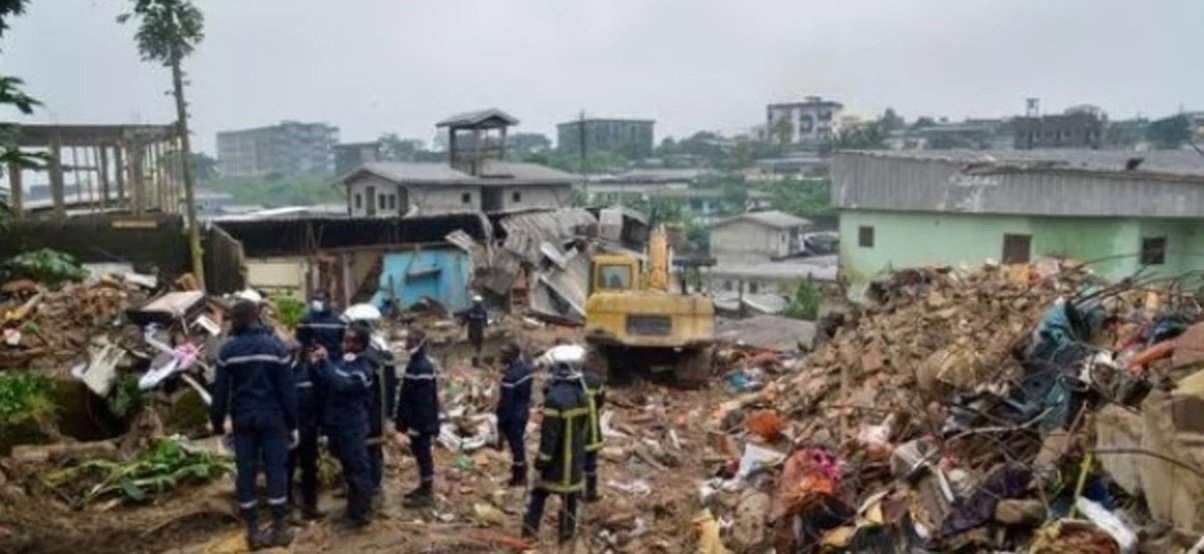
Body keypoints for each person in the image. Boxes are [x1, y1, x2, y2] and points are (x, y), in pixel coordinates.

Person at [210, 300, 297, 550]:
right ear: (256, 317)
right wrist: (292, 423)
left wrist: (217, 422)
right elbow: (287, 390)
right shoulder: (276, 348)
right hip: (272, 418)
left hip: (243, 419)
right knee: (275, 470)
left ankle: (253, 531)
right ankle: (279, 528)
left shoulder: (227, 351)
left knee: (246, 471)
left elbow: (220, 392)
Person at [522, 344, 590, 544]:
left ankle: (528, 534)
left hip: (557, 464)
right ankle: (566, 538)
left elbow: (549, 436)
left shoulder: (554, 399)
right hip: (575, 461)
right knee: (570, 501)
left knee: (538, 495)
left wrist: (541, 462)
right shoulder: (582, 394)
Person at [310, 325, 375, 528]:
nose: (344, 344)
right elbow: (327, 381)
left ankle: (360, 514)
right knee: (348, 469)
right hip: (338, 424)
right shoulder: (343, 363)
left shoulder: (363, 369)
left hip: (352, 426)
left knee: (358, 469)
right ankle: (352, 510)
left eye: (349, 341)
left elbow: (341, 383)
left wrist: (326, 362)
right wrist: (317, 364)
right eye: (344, 340)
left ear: (360, 345)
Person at [394, 328, 439, 508]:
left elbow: (423, 402)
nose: (407, 344)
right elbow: (407, 396)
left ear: (420, 344)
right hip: (417, 421)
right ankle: (423, 486)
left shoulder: (422, 367)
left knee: (424, 455)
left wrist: (415, 425)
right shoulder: (415, 364)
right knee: (420, 455)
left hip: (421, 423)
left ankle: (427, 492)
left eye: (411, 341)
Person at [357, 322, 398, 508]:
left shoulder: (367, 361)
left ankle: (370, 490)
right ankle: (373, 487)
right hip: (377, 414)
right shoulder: (379, 356)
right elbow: (391, 387)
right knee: (374, 452)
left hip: (369, 415)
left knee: (369, 453)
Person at [285, 339, 323, 521]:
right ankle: (288, 508)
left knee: (309, 468)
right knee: (286, 469)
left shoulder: (309, 372)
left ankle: (310, 506)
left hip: (308, 428)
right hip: (287, 430)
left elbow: (319, 400)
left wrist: (321, 428)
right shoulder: (279, 373)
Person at [496, 342, 534, 487]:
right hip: (524, 411)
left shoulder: (510, 377)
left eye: (503, 354)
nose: (500, 357)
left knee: (516, 446)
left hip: (513, 416)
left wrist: (500, 423)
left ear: (510, 356)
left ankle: (519, 476)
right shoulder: (526, 370)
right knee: (519, 443)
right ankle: (521, 470)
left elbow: (506, 403)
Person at [581, 366, 606, 503]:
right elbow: (600, 402)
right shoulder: (596, 381)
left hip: (575, 429)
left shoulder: (571, 381)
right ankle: (591, 493)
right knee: (591, 463)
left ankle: (575, 494)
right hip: (592, 429)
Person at [297, 289, 346, 360]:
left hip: (333, 357)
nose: (316, 302)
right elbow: (302, 338)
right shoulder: (307, 319)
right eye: (315, 299)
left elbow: (342, 338)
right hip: (314, 357)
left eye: (320, 299)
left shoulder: (338, 319)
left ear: (328, 300)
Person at [456, 295, 488, 366]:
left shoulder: (470, 311)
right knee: (477, 346)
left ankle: (475, 361)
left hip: (474, 331)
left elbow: (464, 321)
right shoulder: (483, 312)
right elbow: (485, 323)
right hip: (477, 331)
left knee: (473, 345)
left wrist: (462, 325)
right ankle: (475, 361)